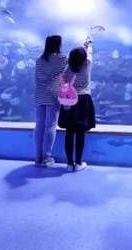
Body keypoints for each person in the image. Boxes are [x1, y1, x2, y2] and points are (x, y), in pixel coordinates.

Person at [57, 37, 96, 172]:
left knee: (69, 132)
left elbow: (64, 84)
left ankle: (69, 164)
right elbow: (89, 53)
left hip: (69, 101)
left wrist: (82, 46)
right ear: (84, 58)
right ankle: (78, 163)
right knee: (80, 133)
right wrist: (88, 45)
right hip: (84, 99)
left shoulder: (67, 69)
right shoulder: (87, 64)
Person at [33, 35, 67, 167]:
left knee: (39, 126)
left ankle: (37, 157)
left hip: (40, 94)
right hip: (53, 94)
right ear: (59, 44)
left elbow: (36, 78)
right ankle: (47, 157)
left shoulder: (39, 60)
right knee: (50, 126)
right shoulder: (62, 59)